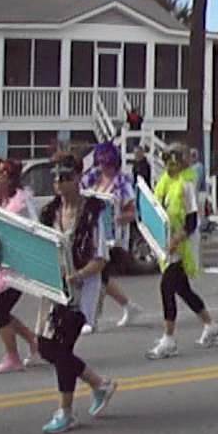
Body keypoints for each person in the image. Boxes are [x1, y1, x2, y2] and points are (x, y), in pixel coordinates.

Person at [35, 153, 118, 434]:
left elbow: (101, 258)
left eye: (65, 177)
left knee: (61, 349)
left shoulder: (92, 213)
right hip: (55, 291)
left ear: (78, 178)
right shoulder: (49, 213)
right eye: (55, 177)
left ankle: (66, 412)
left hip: (81, 292)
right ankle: (99, 384)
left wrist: (77, 276)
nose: (59, 183)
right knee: (46, 347)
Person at [145, 143, 218, 359]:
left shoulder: (186, 184)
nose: (170, 165)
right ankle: (210, 324)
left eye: (174, 161)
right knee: (182, 289)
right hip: (167, 243)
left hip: (182, 245)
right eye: (167, 161)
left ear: (182, 162)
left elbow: (191, 222)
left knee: (166, 288)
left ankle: (169, 339)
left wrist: (175, 241)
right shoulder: (163, 183)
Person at [0, 158, 45, 373]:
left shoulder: (21, 203)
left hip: (21, 266)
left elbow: (33, 231)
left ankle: (13, 357)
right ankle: (34, 343)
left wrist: (6, 240)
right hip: (0, 266)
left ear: (10, 181)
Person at [82, 141, 145, 331]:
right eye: (101, 163)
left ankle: (90, 320)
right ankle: (128, 306)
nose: (104, 167)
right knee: (100, 278)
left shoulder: (122, 182)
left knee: (97, 276)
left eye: (107, 163)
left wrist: (115, 218)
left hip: (113, 238)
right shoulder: (91, 178)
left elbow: (133, 212)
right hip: (90, 235)